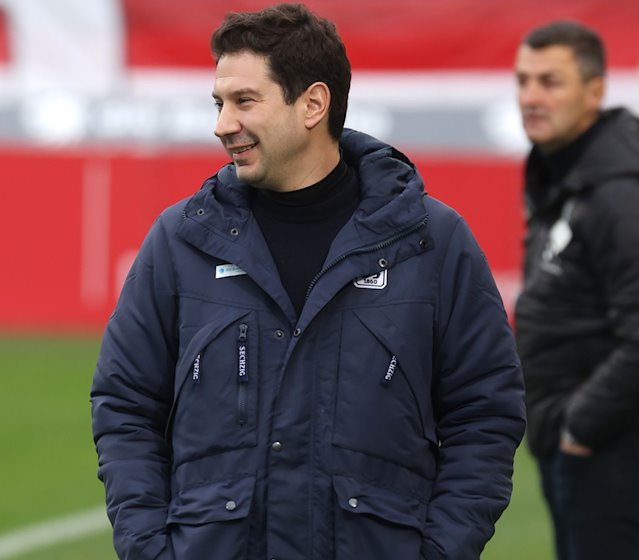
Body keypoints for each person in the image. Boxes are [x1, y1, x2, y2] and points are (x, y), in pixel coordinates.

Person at [91, 4, 525, 559]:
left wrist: (441, 551)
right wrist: (148, 548)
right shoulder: (182, 239)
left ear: (313, 104)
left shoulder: (431, 240)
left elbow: (485, 412)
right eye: (219, 103)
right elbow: (125, 403)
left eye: (245, 101)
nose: (223, 123)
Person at [513, 20, 639, 560]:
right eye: (523, 81)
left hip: (616, 439)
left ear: (595, 90)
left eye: (551, 82)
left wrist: (581, 427)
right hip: (576, 434)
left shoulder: (625, 196)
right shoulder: (566, 176)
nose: (531, 97)